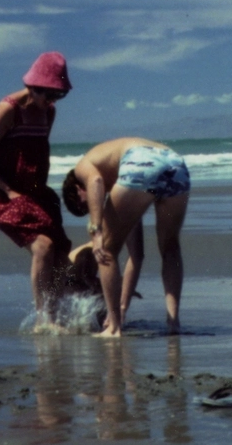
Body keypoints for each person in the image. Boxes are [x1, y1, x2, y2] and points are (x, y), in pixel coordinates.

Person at [0, 52, 73, 321]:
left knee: (62, 253)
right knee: (43, 247)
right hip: (2, 191)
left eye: (58, 96)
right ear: (33, 88)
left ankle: (63, 312)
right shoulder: (9, 109)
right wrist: (8, 191)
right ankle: (45, 319)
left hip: (33, 189)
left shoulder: (48, 112)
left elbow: (38, 150)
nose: (52, 102)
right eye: (48, 95)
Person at [61, 137, 190, 336]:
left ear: (78, 189)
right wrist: (121, 308)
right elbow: (136, 256)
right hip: (175, 164)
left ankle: (113, 329)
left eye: (83, 205)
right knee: (170, 247)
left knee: (106, 250)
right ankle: (174, 323)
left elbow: (95, 181)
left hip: (140, 162)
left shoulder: (82, 168)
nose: (96, 205)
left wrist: (96, 231)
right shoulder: (121, 186)